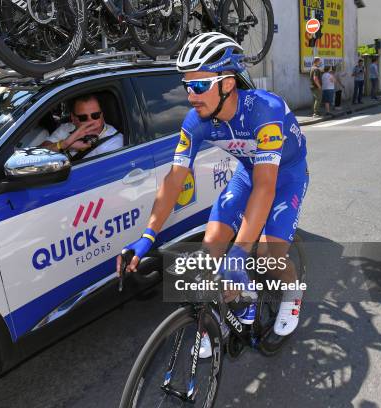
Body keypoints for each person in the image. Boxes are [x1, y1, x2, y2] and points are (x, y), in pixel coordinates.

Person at [118, 32, 308, 348]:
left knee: (267, 252)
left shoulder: (265, 111)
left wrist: (241, 249)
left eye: (200, 85)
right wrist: (147, 236)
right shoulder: (197, 121)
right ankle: (233, 306)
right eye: (187, 86)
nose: (191, 95)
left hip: (286, 175)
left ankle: (292, 291)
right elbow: (174, 180)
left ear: (228, 83)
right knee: (211, 247)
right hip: (248, 172)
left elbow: (267, 186)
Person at [41, 94, 123, 160]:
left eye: (95, 115)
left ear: (102, 115)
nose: (90, 122)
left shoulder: (114, 142)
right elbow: (37, 155)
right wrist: (65, 144)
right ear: (73, 118)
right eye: (83, 117)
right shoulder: (66, 128)